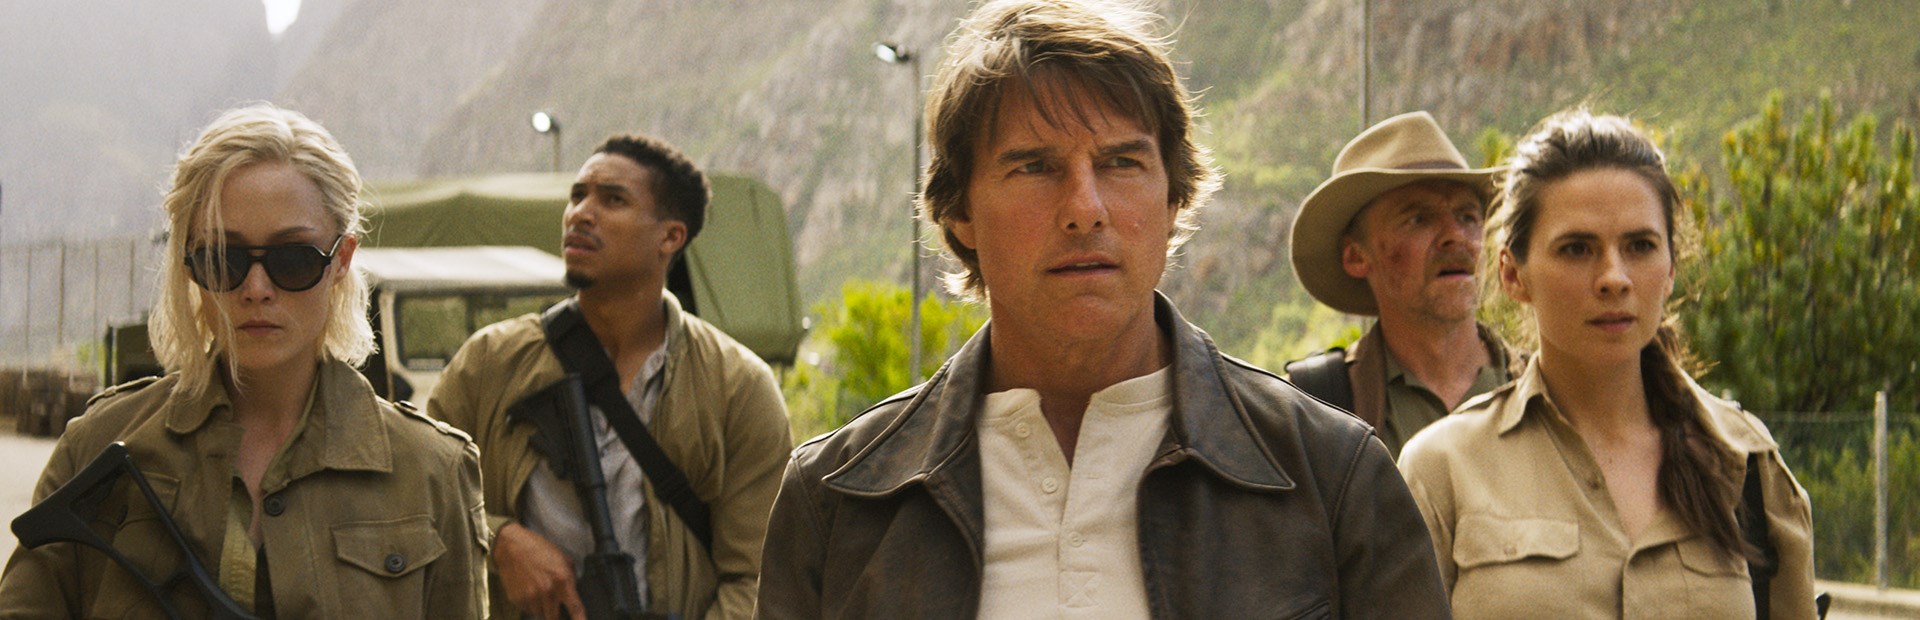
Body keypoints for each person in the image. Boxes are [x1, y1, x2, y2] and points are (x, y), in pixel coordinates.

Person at [754, 1, 1448, 617]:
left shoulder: (1332, 477)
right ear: (960, 212)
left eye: (1121, 163)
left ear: (1172, 198)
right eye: (1034, 166)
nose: (1085, 209)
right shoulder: (840, 500)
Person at [0, 104, 490, 617]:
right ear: (190, 266)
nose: (257, 289)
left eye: (293, 259)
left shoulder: (432, 472)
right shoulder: (97, 449)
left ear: (341, 260)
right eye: (223, 260)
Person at [1397, 110, 1816, 618]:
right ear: (1513, 274)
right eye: (1577, 249)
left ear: (1670, 269)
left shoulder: (1744, 460)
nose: (1614, 277)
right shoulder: (1443, 469)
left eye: (1640, 246)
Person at [430, 133, 791, 620]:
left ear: (670, 237)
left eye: (613, 199)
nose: (581, 213)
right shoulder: (489, 364)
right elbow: (420, 500)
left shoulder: (738, 387)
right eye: (578, 195)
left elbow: (758, 576)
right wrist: (499, 540)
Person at [1286, 111, 1523, 457]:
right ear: (1356, 257)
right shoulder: (1316, 405)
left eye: (1467, 217)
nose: (1455, 236)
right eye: (1418, 219)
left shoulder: (1551, 391)